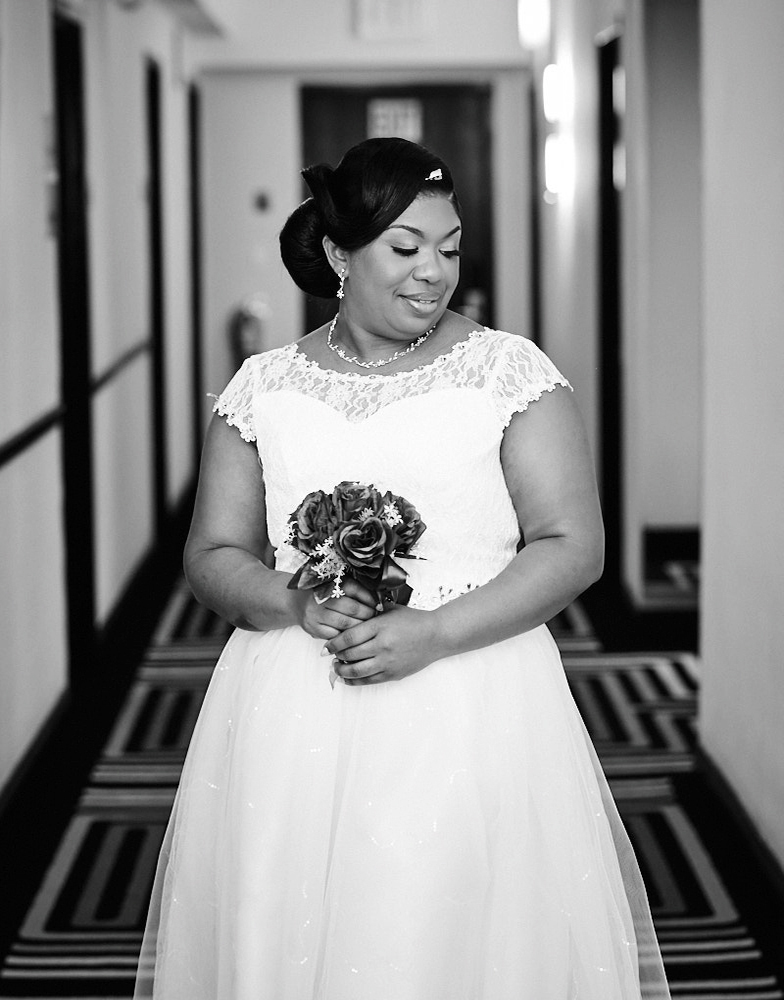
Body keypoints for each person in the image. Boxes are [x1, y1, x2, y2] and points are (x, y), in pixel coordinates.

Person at [134, 137, 670, 999]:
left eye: (450, 249)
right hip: (296, 706)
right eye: (407, 247)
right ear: (341, 254)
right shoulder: (263, 387)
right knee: (293, 924)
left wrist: (435, 632)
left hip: (473, 691)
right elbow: (210, 555)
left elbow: (574, 545)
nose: (434, 273)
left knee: (450, 932)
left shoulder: (508, 373)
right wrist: (291, 599)